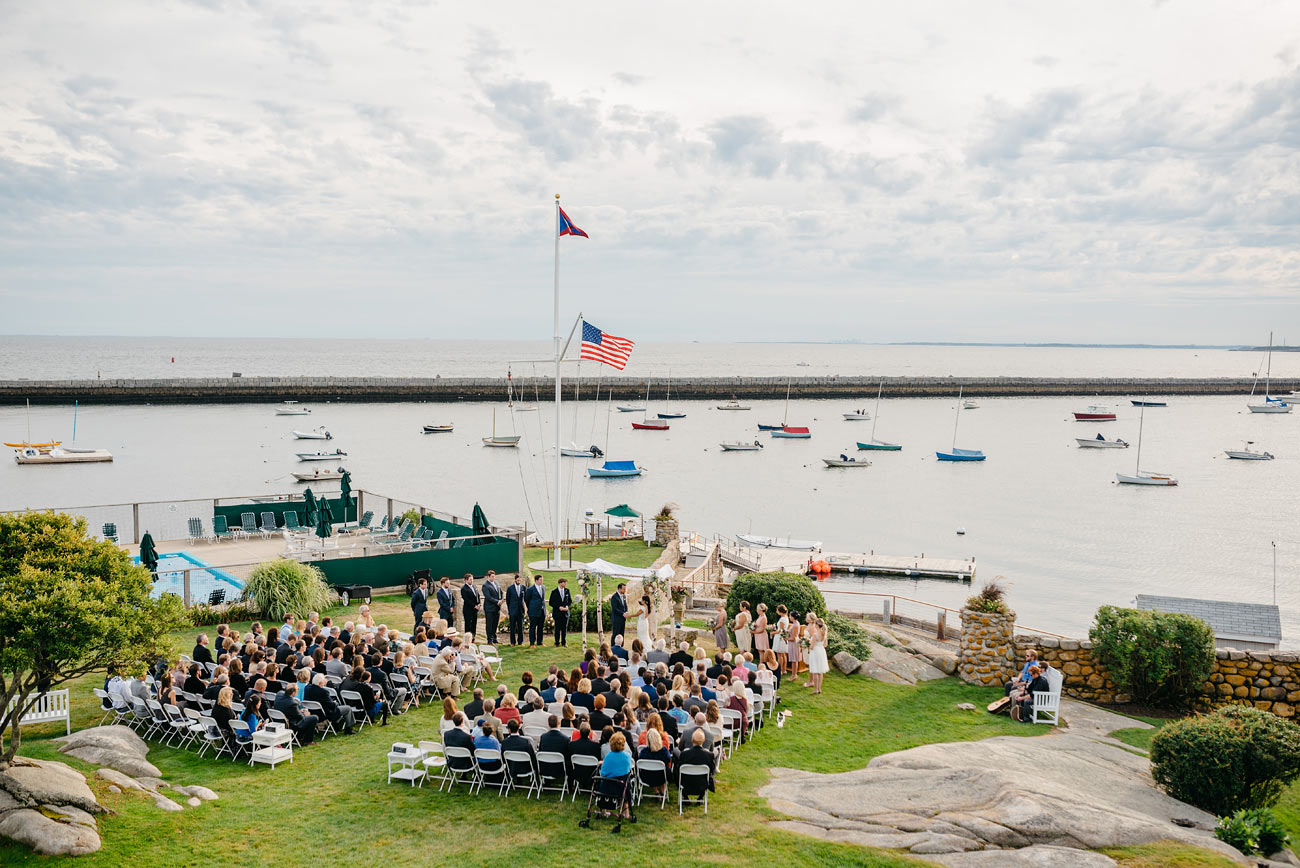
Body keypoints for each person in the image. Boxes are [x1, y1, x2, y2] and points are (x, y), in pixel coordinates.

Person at [598, 731, 634, 817]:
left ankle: (607, 811)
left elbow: (603, 773)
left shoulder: (608, 756)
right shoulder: (627, 756)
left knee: (606, 781)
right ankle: (626, 813)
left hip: (608, 787)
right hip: (622, 786)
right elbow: (628, 770)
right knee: (626, 784)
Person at [677, 727, 716, 797]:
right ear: (703, 741)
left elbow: (678, 769)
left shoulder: (684, 754)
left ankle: (685, 797)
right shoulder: (709, 755)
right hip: (702, 785)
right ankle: (700, 798)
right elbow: (712, 770)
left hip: (686, 784)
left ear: (692, 740)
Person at [638, 728, 672, 796]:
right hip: (662, 777)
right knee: (663, 769)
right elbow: (668, 760)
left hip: (647, 777)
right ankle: (662, 791)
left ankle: (656, 791)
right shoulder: (664, 751)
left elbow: (639, 761)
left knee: (651, 770)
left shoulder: (644, 752)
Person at [806, 615, 829, 694]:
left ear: (816, 625)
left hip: (815, 651)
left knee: (815, 670)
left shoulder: (815, 635)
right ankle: (819, 689)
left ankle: (815, 689)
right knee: (820, 672)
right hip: (821, 651)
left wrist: (808, 646)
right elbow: (825, 645)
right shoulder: (824, 634)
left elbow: (812, 646)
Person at [525, 575, 547, 648]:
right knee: (533, 627)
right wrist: (531, 607)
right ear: (536, 580)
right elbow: (526, 599)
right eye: (540, 580)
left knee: (540, 627)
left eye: (542, 579)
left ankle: (540, 642)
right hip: (533, 611)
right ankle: (532, 643)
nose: (542, 581)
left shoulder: (543, 587)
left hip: (542, 611)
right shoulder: (531, 589)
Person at [549, 577, 572, 647]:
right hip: (557, 613)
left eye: (565, 583)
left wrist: (567, 606)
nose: (565, 584)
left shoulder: (567, 591)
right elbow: (551, 602)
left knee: (564, 628)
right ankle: (556, 642)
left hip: (565, 613)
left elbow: (570, 601)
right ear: (560, 583)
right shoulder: (554, 592)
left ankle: (564, 642)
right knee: (557, 628)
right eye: (564, 582)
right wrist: (558, 607)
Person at [481, 570, 502, 645]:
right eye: (492, 576)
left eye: (494, 576)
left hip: (497, 608)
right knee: (489, 624)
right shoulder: (485, 585)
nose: (494, 578)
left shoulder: (496, 583)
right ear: (488, 577)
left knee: (495, 624)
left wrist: (501, 600)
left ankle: (494, 638)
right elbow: (488, 597)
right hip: (489, 608)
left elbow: (500, 592)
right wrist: (497, 601)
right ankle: (489, 640)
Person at [506, 574, 526, 646]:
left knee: (521, 627)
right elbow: (508, 600)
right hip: (513, 610)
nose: (519, 581)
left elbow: (525, 598)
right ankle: (512, 642)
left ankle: (520, 642)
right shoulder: (510, 588)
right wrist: (510, 609)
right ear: (515, 580)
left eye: (520, 580)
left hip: (520, 610)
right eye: (518, 580)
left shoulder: (523, 588)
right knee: (512, 627)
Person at [461, 573, 481, 638]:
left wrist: (479, 604)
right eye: (470, 580)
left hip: (475, 609)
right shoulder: (464, 589)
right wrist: (474, 606)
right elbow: (467, 600)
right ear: (466, 580)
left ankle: (473, 637)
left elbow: (478, 595)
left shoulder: (474, 586)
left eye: (472, 579)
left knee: (474, 624)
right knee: (468, 625)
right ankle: (467, 638)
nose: (472, 581)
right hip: (468, 609)